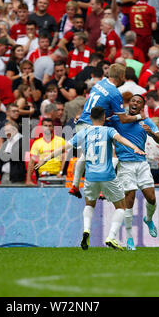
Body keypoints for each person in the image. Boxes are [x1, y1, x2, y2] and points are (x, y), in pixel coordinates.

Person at [36, 106, 145, 250]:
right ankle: (111, 237)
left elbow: (64, 148)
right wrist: (134, 148)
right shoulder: (109, 130)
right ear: (104, 116)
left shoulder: (84, 132)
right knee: (121, 207)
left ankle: (86, 230)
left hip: (90, 176)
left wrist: (46, 158)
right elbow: (121, 139)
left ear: (90, 118)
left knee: (89, 205)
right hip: (108, 176)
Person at [69, 64, 141, 198]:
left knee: (85, 156)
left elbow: (92, 101)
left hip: (82, 123)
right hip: (93, 126)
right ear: (121, 76)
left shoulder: (99, 83)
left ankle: (75, 185)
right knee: (111, 155)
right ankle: (103, 189)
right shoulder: (115, 93)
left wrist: (83, 113)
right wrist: (139, 117)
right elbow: (123, 119)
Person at [108, 94, 159, 250]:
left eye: (139, 102)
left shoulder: (146, 121)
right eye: (133, 100)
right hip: (125, 164)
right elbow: (101, 120)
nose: (135, 103)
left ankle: (148, 219)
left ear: (142, 107)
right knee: (129, 200)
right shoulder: (118, 119)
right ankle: (129, 239)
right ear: (129, 104)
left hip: (142, 164)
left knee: (151, 198)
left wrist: (151, 133)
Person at [26, 118, 65, 185]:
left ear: (53, 127)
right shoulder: (37, 143)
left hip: (56, 176)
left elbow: (64, 158)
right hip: (42, 176)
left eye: (50, 126)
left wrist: (61, 172)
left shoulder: (60, 141)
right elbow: (31, 162)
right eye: (45, 126)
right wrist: (28, 180)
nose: (47, 128)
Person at [0, 120, 27, 185]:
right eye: (5, 131)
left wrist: (3, 153)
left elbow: (14, 156)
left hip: (16, 177)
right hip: (5, 174)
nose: (6, 133)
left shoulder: (22, 140)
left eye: (8, 130)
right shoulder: (7, 141)